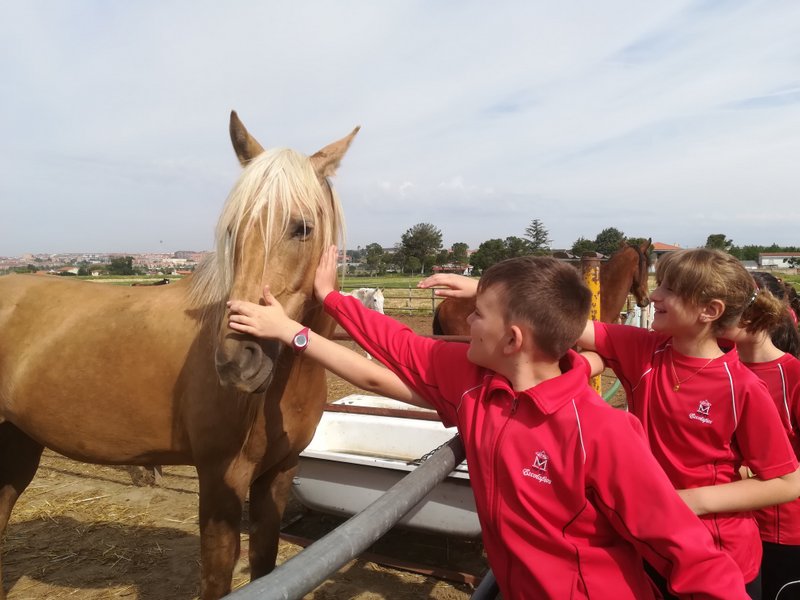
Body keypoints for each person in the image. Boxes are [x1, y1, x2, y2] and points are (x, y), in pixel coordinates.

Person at [228, 246, 749, 600]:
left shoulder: (602, 433)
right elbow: (398, 349)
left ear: (514, 340)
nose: (466, 321)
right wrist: (320, 308)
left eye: (479, 313)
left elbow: (692, 554)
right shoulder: (478, 384)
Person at [567, 249, 800, 599]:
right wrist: (486, 293)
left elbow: (786, 481)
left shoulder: (743, 388)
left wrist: (688, 501)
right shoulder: (646, 351)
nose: (655, 295)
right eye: (659, 284)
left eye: (670, 290)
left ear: (710, 311)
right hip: (652, 544)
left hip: (717, 557)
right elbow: (561, 322)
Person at [725, 271, 800, 600]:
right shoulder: (715, 371)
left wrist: (750, 473)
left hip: (781, 536)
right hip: (727, 533)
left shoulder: (793, 376)